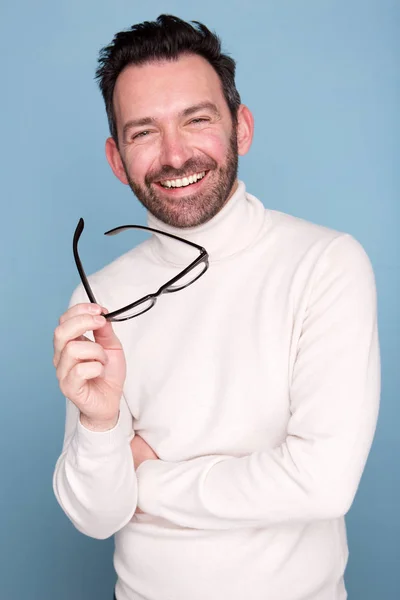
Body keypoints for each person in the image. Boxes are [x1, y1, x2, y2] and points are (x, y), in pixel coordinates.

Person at [52, 14, 380, 600]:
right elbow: (96, 516)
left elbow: (322, 484)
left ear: (241, 128)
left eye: (196, 120)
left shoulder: (326, 263)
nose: (175, 155)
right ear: (116, 157)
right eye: (143, 132)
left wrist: (145, 481)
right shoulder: (97, 298)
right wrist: (101, 428)